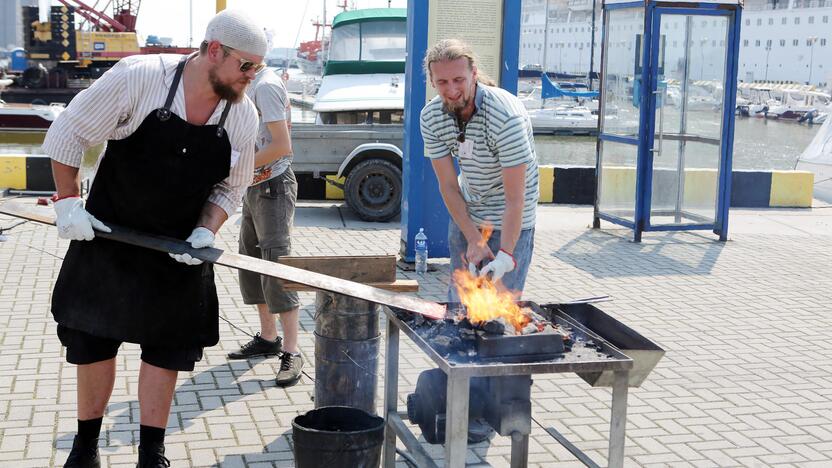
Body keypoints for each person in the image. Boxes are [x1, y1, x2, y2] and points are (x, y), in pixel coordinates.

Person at [42, 10, 266, 468]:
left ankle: (152, 454)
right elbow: (68, 133)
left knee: (166, 351)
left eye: (258, 69)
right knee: (92, 341)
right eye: (247, 66)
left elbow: (232, 186)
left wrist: (208, 227)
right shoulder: (139, 78)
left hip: (178, 251)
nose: (251, 77)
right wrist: (68, 204)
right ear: (214, 50)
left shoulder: (241, 114)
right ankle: (85, 450)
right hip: (109, 237)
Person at [420, 39, 539, 300]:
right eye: (442, 82)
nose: (451, 90)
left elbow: (515, 199)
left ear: (474, 74)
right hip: (468, 214)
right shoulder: (430, 118)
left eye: (459, 80)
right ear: (432, 81)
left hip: (511, 219)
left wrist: (506, 255)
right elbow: (449, 186)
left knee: (498, 309)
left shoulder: (506, 117)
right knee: (460, 305)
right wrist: (473, 238)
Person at [226, 65, 304, 388]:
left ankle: (292, 350)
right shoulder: (249, 84)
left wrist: (232, 167)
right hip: (255, 184)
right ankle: (269, 338)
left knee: (276, 266)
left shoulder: (266, 86)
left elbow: (281, 145)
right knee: (250, 261)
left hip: (273, 185)